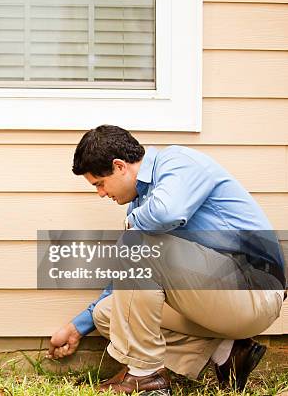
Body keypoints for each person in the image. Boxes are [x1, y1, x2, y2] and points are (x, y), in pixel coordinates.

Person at [47, 125, 285, 394]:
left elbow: (169, 212)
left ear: (120, 166)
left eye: (100, 184)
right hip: (219, 301)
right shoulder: (140, 205)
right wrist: (77, 327)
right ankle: (227, 352)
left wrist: (130, 226)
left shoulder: (177, 163)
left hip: (255, 292)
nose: (101, 193)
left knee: (135, 244)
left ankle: (146, 376)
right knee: (109, 314)